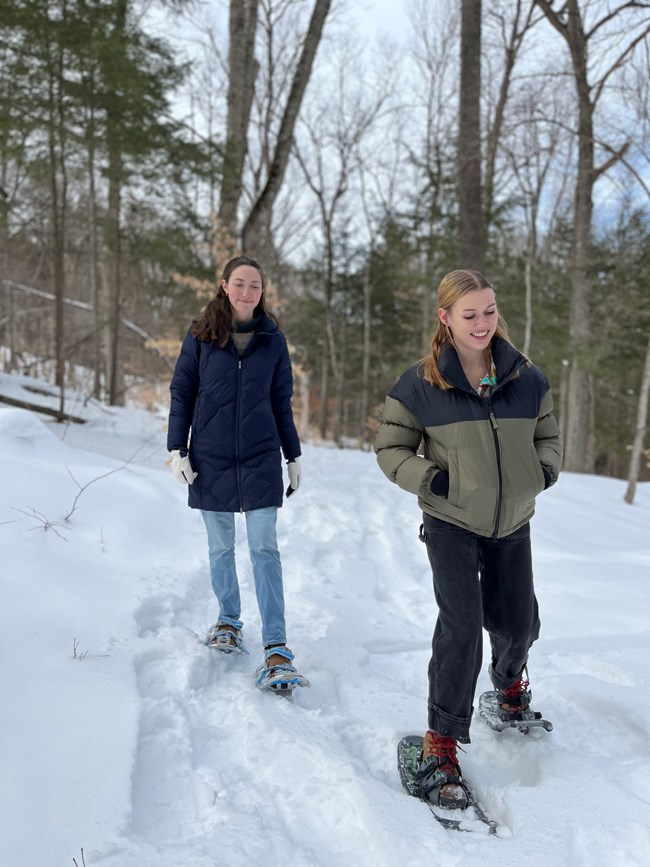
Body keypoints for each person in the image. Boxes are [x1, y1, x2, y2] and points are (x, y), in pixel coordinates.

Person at [375, 269, 562, 809]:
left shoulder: (526, 378)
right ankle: (441, 740)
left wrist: (542, 472)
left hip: (512, 519)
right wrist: (432, 480)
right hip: (450, 520)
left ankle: (507, 688)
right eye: (469, 314)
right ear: (445, 318)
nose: (483, 323)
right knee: (461, 627)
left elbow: (548, 435)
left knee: (519, 621)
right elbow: (391, 450)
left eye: (489, 310)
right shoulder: (420, 384)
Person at [167, 255, 308, 692]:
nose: (248, 292)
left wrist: (293, 455)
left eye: (256, 286)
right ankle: (228, 621)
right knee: (220, 548)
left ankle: (277, 647)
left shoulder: (272, 340)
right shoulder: (201, 336)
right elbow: (182, 391)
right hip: (210, 457)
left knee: (265, 549)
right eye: (241, 284)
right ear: (225, 285)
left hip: (262, 455)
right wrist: (178, 448)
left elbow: (281, 401)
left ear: (262, 292)